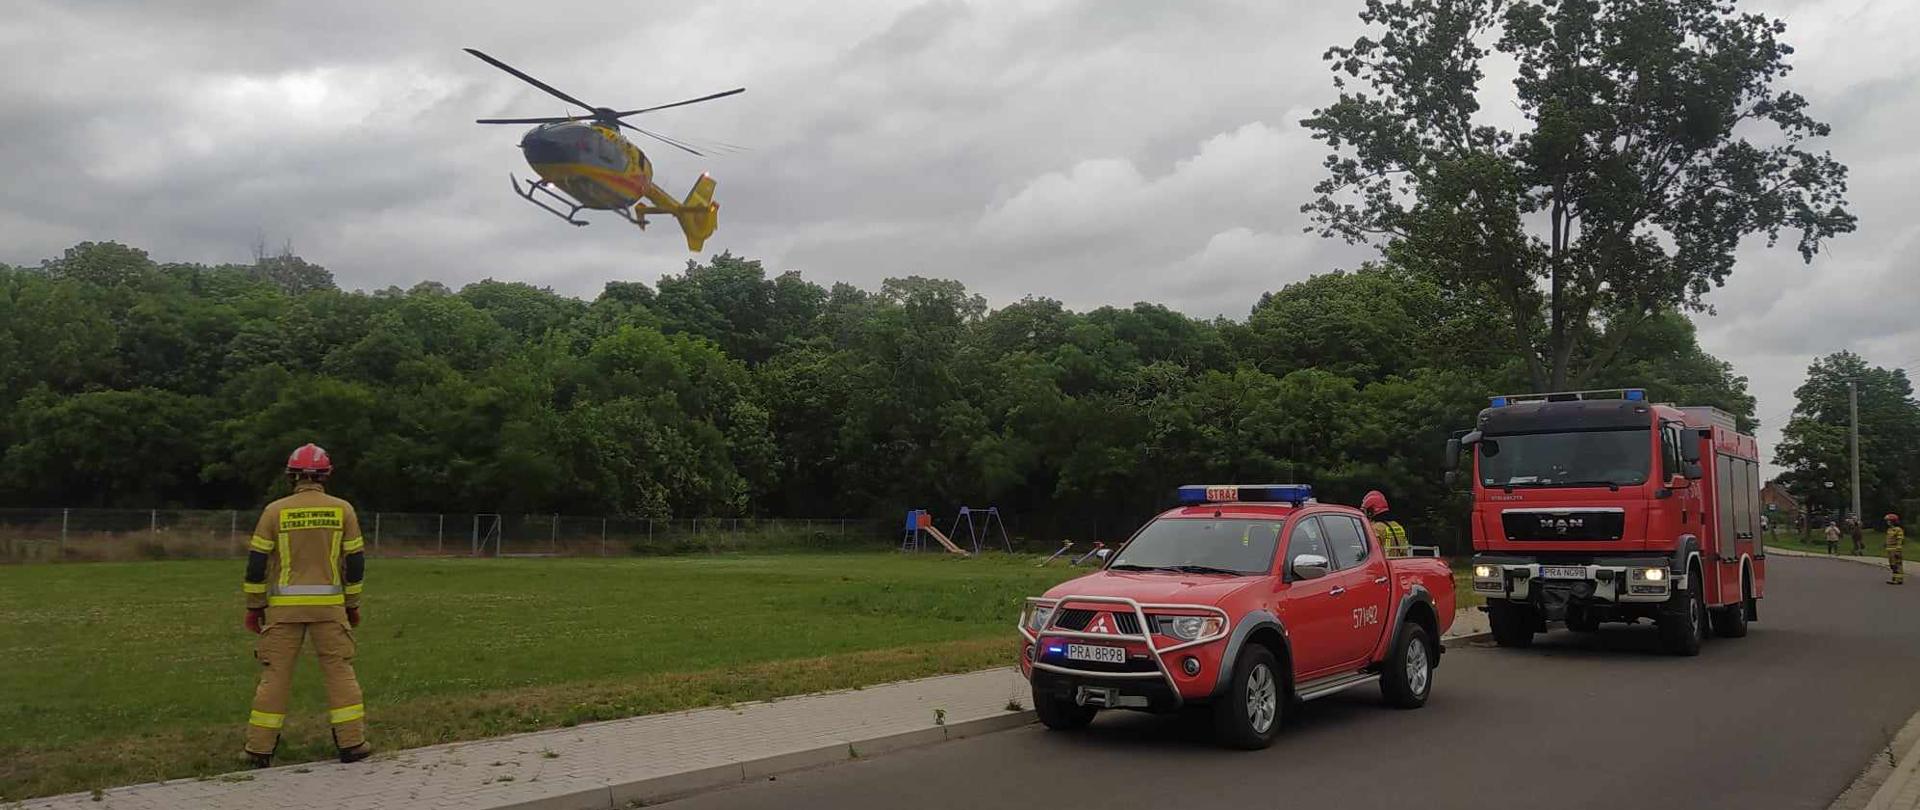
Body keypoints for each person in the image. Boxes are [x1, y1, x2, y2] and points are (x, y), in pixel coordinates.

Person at [242, 443, 372, 767]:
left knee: (275, 677)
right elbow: (355, 563)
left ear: (292, 475)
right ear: (326, 474)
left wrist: (254, 606)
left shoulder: (274, 511)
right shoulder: (343, 510)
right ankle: (352, 743)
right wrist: (352, 603)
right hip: (330, 608)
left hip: (284, 610)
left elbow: (256, 565)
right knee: (340, 672)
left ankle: (259, 749)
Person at [1361, 490, 1409, 557]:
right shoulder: (1397, 525)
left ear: (1371, 511)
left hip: (1383, 563)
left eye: (1365, 511)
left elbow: (1372, 552)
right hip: (1399, 563)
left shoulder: (1375, 528)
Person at [1887, 514, 1905, 586]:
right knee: (1892, 565)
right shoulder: (1889, 529)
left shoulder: (1898, 529)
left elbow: (1900, 540)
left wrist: (1898, 550)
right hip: (1890, 550)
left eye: (1888, 521)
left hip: (1895, 550)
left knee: (1897, 565)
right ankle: (1894, 578)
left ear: (1892, 521)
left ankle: (1899, 579)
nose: (1887, 522)